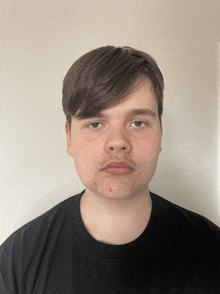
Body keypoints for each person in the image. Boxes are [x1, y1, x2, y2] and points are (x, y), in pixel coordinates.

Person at [0, 46, 220, 294]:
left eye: (138, 123)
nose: (118, 141)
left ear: (160, 134)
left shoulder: (212, 250)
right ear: (69, 138)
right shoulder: (16, 259)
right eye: (95, 124)